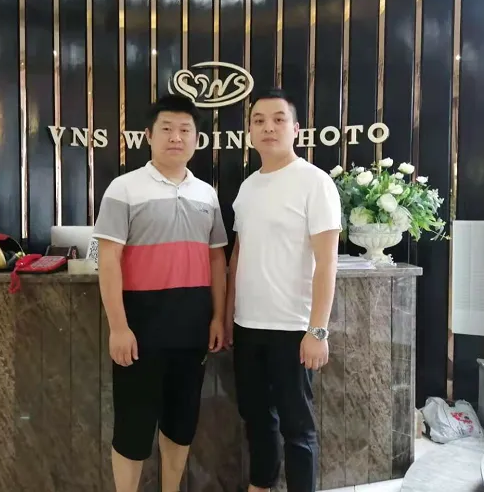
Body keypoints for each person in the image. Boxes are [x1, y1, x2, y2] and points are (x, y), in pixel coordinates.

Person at [93, 94, 228, 492]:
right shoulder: (124, 188)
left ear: (196, 139)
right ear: (148, 136)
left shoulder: (207, 194)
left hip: (192, 328)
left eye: (185, 130)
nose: (176, 137)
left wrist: (217, 317)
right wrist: (119, 327)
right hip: (140, 328)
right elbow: (109, 260)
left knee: (181, 423)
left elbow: (216, 259)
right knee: (133, 426)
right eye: (166, 129)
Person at [225, 88, 342, 492]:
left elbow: (327, 261)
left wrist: (317, 330)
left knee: (297, 427)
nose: (268, 127)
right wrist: (228, 317)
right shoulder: (247, 187)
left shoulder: (315, 182)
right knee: (256, 418)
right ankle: (261, 485)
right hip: (248, 325)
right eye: (259, 120)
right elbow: (238, 255)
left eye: (278, 119)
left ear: (296, 129)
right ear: (249, 132)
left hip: (293, 328)